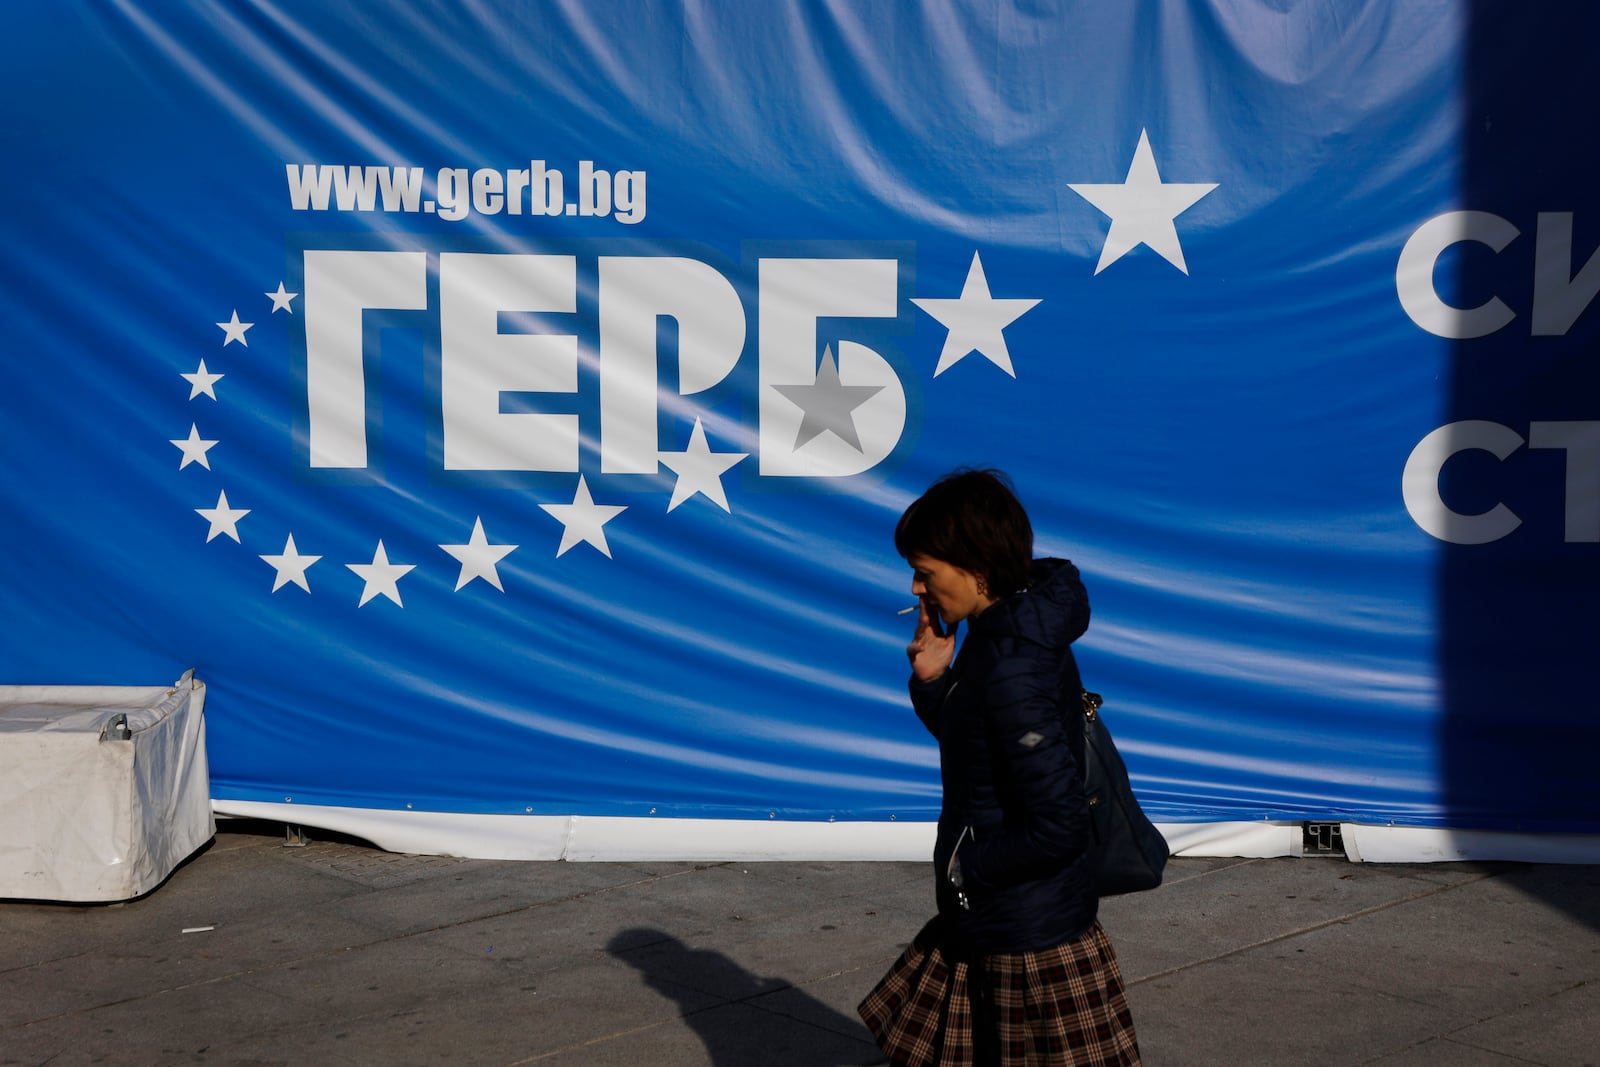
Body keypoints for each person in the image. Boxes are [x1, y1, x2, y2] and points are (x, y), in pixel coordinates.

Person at [859, 469, 1140, 1066]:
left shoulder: (1012, 663)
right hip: (1005, 921)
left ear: (976, 569)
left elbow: (1058, 824)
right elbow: (984, 755)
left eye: (926, 572)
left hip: (1028, 943)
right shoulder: (1002, 636)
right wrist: (934, 682)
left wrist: (969, 868)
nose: (915, 589)